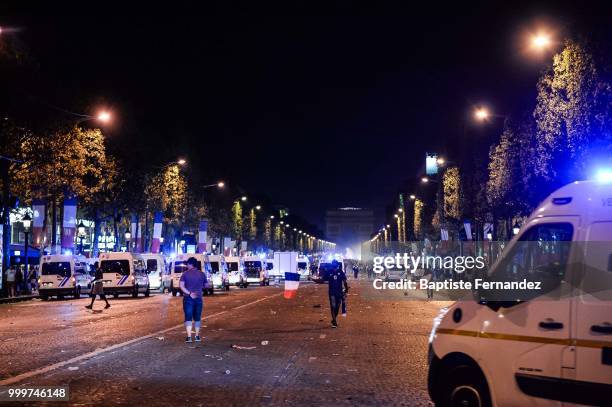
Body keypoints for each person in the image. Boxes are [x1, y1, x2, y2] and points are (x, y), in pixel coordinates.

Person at [179, 257, 206, 343]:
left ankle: (189, 337)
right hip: (198, 298)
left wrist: (190, 293)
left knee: (188, 318)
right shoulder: (202, 274)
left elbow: (181, 286)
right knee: (197, 318)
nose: (187, 265)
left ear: (191, 264)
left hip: (188, 298)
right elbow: (206, 285)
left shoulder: (185, 274)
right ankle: (197, 336)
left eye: (187, 264)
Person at [325, 260, 349, 328]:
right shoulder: (329, 271)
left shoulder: (340, 272)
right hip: (332, 291)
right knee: (333, 306)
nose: (334, 265)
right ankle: (334, 322)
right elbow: (324, 278)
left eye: (335, 264)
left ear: (337, 265)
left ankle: (333, 319)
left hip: (339, 291)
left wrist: (346, 289)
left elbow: (344, 281)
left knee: (338, 306)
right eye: (333, 264)